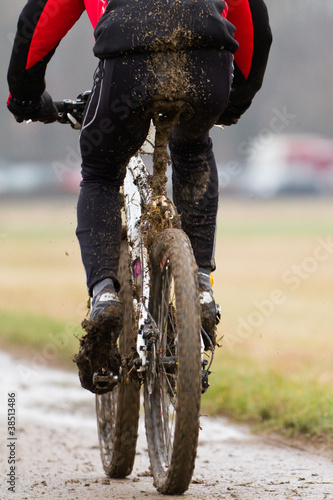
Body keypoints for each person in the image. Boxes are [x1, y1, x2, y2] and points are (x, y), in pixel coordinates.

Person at [7, 0, 272, 393]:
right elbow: (253, 22)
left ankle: (104, 295)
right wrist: (236, 100)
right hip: (206, 59)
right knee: (193, 147)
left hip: (128, 63)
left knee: (100, 173)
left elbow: (40, 22)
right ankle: (198, 282)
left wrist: (26, 98)